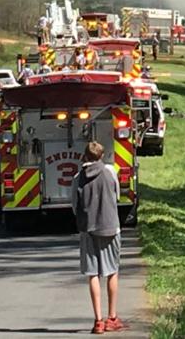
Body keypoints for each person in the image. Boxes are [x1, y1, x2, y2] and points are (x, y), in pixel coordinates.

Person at [73, 141, 127, 334]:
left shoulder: (78, 178)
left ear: (85, 156)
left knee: (92, 274)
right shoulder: (110, 172)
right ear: (101, 156)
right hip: (110, 227)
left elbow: (74, 205)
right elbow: (117, 196)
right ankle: (112, 317)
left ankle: (98, 321)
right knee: (112, 271)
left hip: (88, 229)